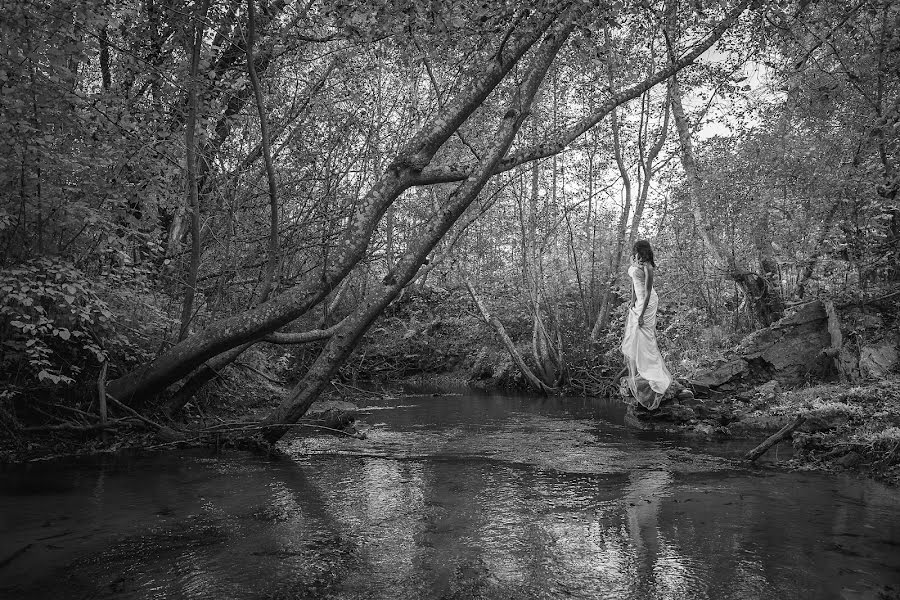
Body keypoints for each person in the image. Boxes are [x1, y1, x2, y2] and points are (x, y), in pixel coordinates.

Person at [620, 240, 672, 410]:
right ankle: (642, 370)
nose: (634, 252)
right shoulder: (636, 262)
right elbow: (634, 285)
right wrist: (633, 300)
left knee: (645, 334)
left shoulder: (648, 266)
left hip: (648, 303)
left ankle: (653, 372)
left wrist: (641, 314)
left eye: (636, 249)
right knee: (635, 334)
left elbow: (648, 291)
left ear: (642, 250)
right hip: (638, 301)